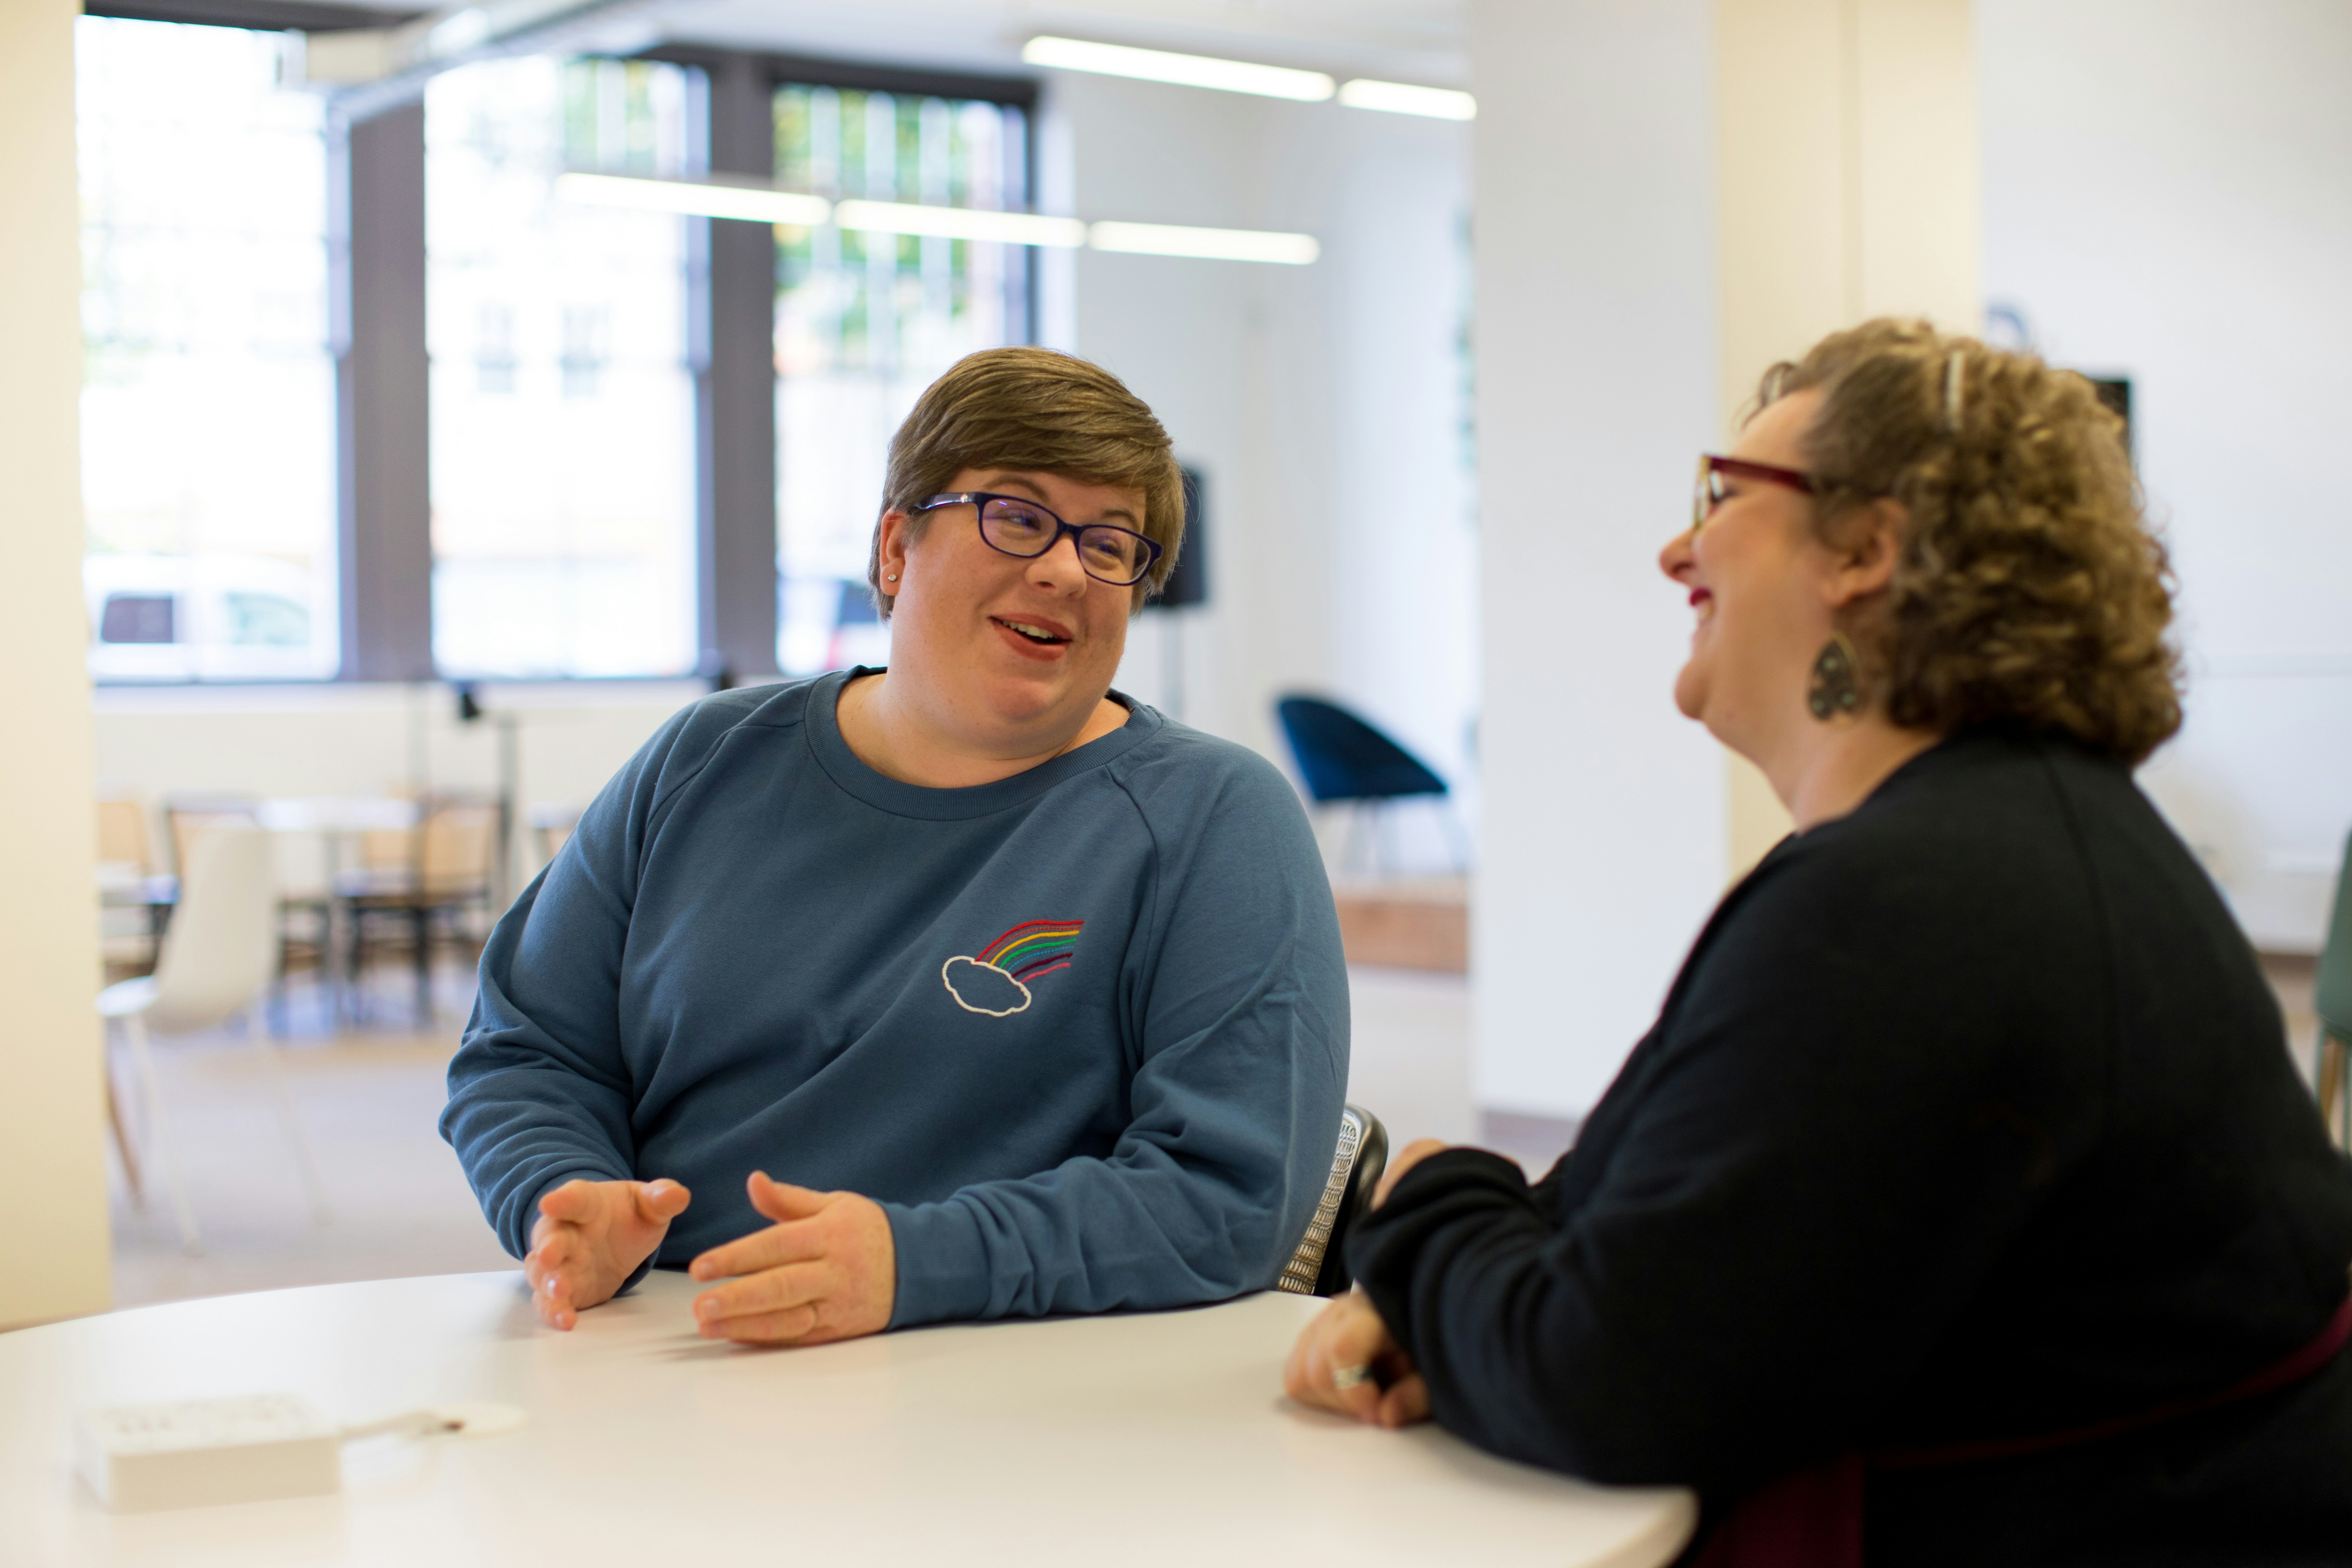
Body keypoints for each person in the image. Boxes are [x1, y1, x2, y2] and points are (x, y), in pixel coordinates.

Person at [1283, 320, 2352, 1563]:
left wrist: (1424, 1198)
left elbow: (1607, 1383)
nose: (1676, 549)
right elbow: (1641, 1217)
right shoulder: (2014, 832)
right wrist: (1464, 1291)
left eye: (1723, 495)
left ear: (1864, 550)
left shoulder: (1917, 898)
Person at [445, 346, 1347, 1348]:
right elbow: (529, 1047)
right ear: (894, 548)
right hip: (666, 1352)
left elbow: (1233, 1194)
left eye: (1108, 543)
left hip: (1005, 1380)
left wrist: (918, 1262)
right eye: (1017, 517)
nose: (1063, 569)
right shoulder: (706, 760)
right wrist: (562, 1192)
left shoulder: (1214, 821)